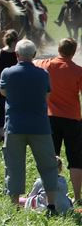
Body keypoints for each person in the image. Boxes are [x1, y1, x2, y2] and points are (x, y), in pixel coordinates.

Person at [0, 39, 66, 215]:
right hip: (40, 127)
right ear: (34, 55)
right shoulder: (43, 74)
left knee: (14, 165)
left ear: (17, 54)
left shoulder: (7, 72)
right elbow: (47, 95)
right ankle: (51, 204)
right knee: (48, 165)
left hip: (14, 126)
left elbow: (3, 92)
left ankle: (14, 205)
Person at [35, 38, 82, 203]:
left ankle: (48, 195)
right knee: (75, 158)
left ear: (58, 49)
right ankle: (77, 197)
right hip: (73, 119)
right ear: (74, 52)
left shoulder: (46, 64)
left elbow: (32, 61)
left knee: (50, 156)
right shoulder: (78, 71)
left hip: (50, 118)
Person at [0, 30, 20, 140]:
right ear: (16, 41)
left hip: (1, 86)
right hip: (16, 88)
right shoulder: (19, 54)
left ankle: (1, 132)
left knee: (1, 110)